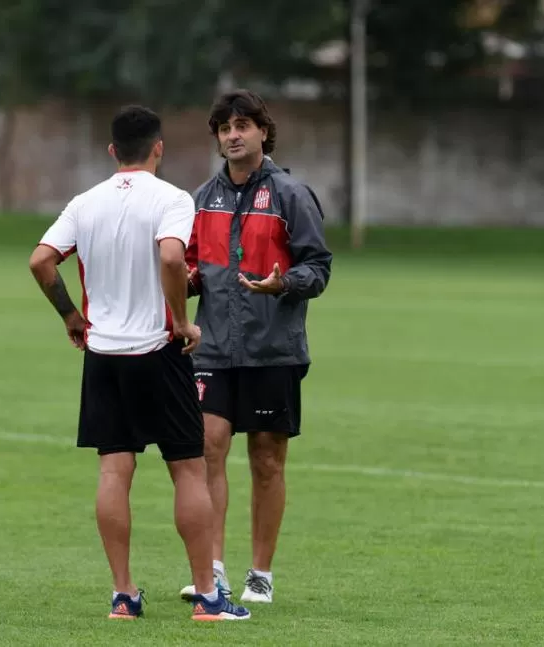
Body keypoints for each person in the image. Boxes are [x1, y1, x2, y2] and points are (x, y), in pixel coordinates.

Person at [29, 105, 251, 622]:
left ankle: (123, 595)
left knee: (114, 469)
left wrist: (70, 316)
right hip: (157, 351)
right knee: (189, 471)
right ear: (159, 148)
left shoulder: (85, 203)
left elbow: (41, 260)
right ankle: (207, 598)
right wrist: (181, 321)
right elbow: (173, 258)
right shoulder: (172, 198)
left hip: (103, 354)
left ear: (112, 151)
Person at [179, 89, 332, 604]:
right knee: (206, 449)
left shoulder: (291, 194)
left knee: (267, 461)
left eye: (243, 124)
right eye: (224, 127)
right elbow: (194, 271)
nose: (233, 134)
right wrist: (178, 281)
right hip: (214, 348)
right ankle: (214, 569)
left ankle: (260, 574)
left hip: (273, 350)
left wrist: (282, 284)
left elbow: (319, 268)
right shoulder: (202, 199)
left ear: (263, 132)